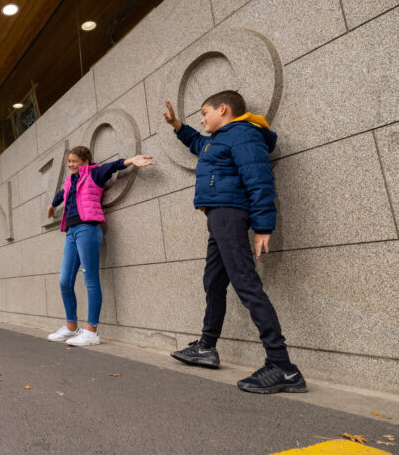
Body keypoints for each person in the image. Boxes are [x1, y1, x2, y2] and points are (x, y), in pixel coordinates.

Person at [163, 91, 307, 394]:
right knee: (214, 281)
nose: (201, 119)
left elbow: (259, 178)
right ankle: (206, 346)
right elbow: (197, 144)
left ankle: (283, 366)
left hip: (230, 213)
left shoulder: (243, 134)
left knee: (245, 283)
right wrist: (178, 125)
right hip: (218, 215)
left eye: (204, 113)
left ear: (223, 109)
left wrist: (264, 226)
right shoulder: (219, 139)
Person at [46, 147, 155, 346]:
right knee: (64, 281)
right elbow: (63, 194)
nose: (70, 164)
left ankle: (91, 331)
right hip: (70, 233)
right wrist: (53, 205)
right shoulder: (70, 180)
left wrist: (131, 160)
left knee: (90, 280)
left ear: (85, 161)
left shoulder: (94, 174)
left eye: (74, 161)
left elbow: (113, 166)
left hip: (88, 229)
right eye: (68, 161)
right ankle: (71, 328)